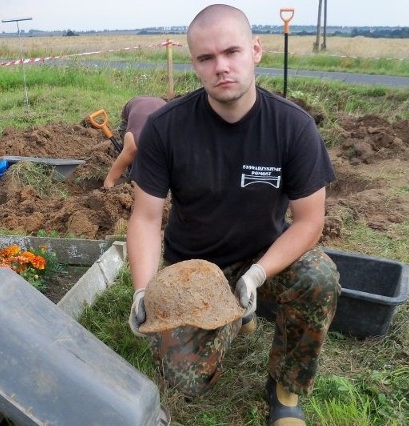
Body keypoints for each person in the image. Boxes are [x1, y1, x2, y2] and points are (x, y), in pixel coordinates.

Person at [126, 4, 341, 425]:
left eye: (232, 52)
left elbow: (310, 221)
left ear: (256, 50)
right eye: (207, 58)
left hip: (265, 258)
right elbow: (146, 218)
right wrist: (142, 291)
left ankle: (285, 392)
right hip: (192, 271)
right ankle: (233, 316)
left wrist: (258, 274)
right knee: (186, 380)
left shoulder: (293, 127)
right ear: (194, 64)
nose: (221, 67)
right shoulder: (166, 127)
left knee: (319, 277)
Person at [103, 96, 167, 188]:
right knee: (131, 151)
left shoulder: (171, 143)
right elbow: (110, 181)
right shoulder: (134, 144)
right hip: (135, 104)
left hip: (163, 106)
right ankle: (132, 172)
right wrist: (108, 185)